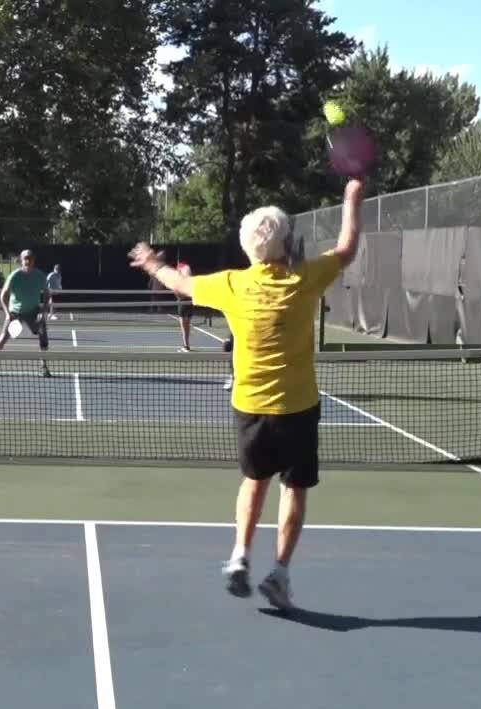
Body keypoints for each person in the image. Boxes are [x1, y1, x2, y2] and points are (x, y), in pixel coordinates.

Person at [128, 177, 365, 611]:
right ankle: (280, 573)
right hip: (298, 407)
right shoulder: (305, 278)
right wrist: (352, 197)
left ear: (248, 247)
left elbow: (179, 285)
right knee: (294, 490)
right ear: (285, 243)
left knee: (254, 481)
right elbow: (347, 249)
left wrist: (150, 264)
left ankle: (240, 554)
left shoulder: (232, 284)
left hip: (250, 406)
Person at [0, 249, 51, 378]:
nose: (28, 261)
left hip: (33, 312)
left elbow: (47, 294)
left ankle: (44, 367)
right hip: (15, 313)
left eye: (30, 258)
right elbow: (3, 295)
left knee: (42, 335)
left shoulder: (40, 276)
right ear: (21, 260)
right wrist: (8, 313)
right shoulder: (14, 276)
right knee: (3, 339)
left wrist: (43, 310)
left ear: (34, 260)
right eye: (25, 258)